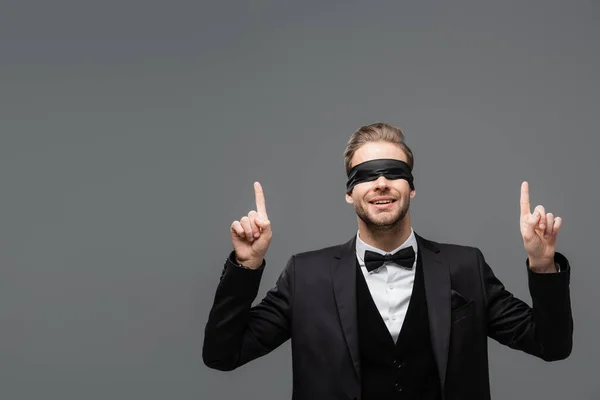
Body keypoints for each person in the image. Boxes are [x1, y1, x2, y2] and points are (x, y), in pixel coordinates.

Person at [202, 122, 573, 400]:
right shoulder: (306, 275)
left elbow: (552, 346)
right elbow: (223, 355)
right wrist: (245, 265)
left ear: (411, 187)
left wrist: (543, 266)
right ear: (350, 192)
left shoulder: (465, 267)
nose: (381, 183)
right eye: (366, 175)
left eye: (394, 172)